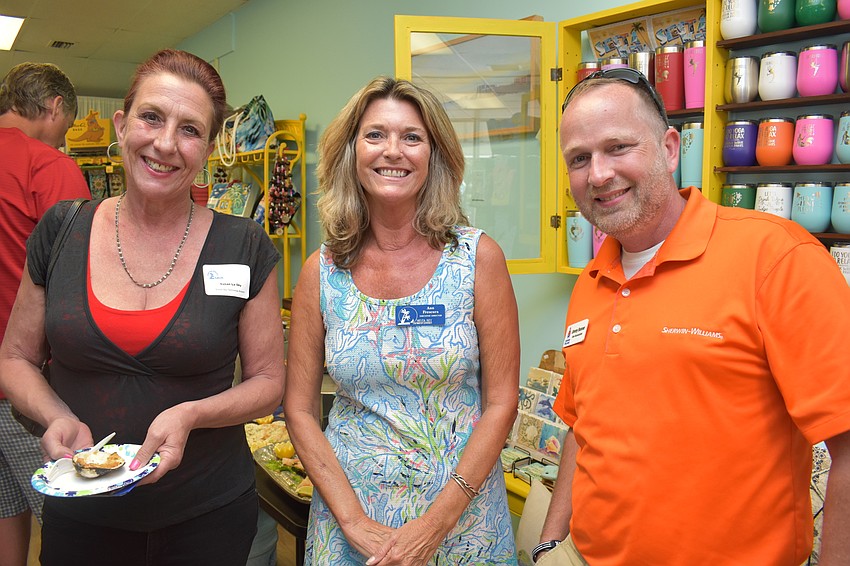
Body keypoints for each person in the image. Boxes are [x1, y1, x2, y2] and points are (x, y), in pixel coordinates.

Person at [534, 67, 850, 565]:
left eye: (618, 147)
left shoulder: (776, 258)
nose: (597, 174)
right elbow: (581, 425)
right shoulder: (593, 279)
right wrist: (550, 547)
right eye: (579, 158)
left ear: (669, 148)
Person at [0, 49, 285, 566]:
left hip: (208, 516)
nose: (165, 143)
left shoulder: (244, 245)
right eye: (151, 117)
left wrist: (193, 414)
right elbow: (15, 357)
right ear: (121, 122)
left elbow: (268, 383)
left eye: (190, 129)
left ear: (208, 147)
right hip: (84, 517)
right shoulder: (62, 232)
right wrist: (55, 414)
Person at [284, 77, 519, 565]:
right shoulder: (321, 272)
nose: (393, 151)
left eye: (412, 137)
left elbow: (501, 403)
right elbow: (301, 410)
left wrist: (435, 525)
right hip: (352, 527)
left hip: (462, 523)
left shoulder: (478, 259)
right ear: (351, 151)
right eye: (375, 135)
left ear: (434, 154)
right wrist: (353, 522)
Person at [0, 61, 90, 566]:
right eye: (69, 124)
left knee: (4, 512)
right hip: (28, 386)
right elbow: (81, 280)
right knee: (71, 526)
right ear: (55, 108)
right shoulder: (50, 167)